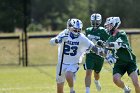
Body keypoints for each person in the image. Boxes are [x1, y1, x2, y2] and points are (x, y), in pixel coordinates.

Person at [50, 18, 115, 93]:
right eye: (75, 30)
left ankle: (72, 90)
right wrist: (58, 40)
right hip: (61, 63)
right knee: (59, 90)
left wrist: (107, 55)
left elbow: (94, 48)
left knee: (68, 75)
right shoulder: (64, 34)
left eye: (79, 30)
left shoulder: (82, 38)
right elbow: (51, 42)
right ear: (69, 28)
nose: (77, 32)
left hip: (73, 63)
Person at [98, 17, 140, 93]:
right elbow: (105, 52)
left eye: (110, 25)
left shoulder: (121, 34)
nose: (108, 28)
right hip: (119, 63)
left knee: (136, 83)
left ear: (115, 25)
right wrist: (95, 49)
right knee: (116, 79)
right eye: (107, 26)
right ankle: (126, 89)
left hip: (129, 62)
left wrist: (104, 44)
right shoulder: (110, 39)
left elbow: (118, 45)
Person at [83, 13, 110, 93]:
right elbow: (84, 41)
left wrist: (104, 49)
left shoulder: (103, 31)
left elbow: (108, 43)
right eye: (93, 21)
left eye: (96, 21)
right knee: (88, 72)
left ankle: (96, 81)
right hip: (90, 55)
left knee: (97, 74)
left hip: (99, 55)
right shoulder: (88, 30)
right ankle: (87, 91)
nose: (95, 23)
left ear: (100, 21)